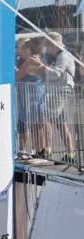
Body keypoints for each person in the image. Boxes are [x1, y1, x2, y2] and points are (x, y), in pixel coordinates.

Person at [38, 32, 76, 164]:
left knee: (47, 118)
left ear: (52, 44)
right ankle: (70, 154)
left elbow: (57, 74)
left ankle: (47, 150)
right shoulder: (60, 55)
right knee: (60, 123)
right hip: (59, 92)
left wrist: (42, 66)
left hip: (59, 93)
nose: (46, 48)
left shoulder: (63, 56)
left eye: (47, 44)